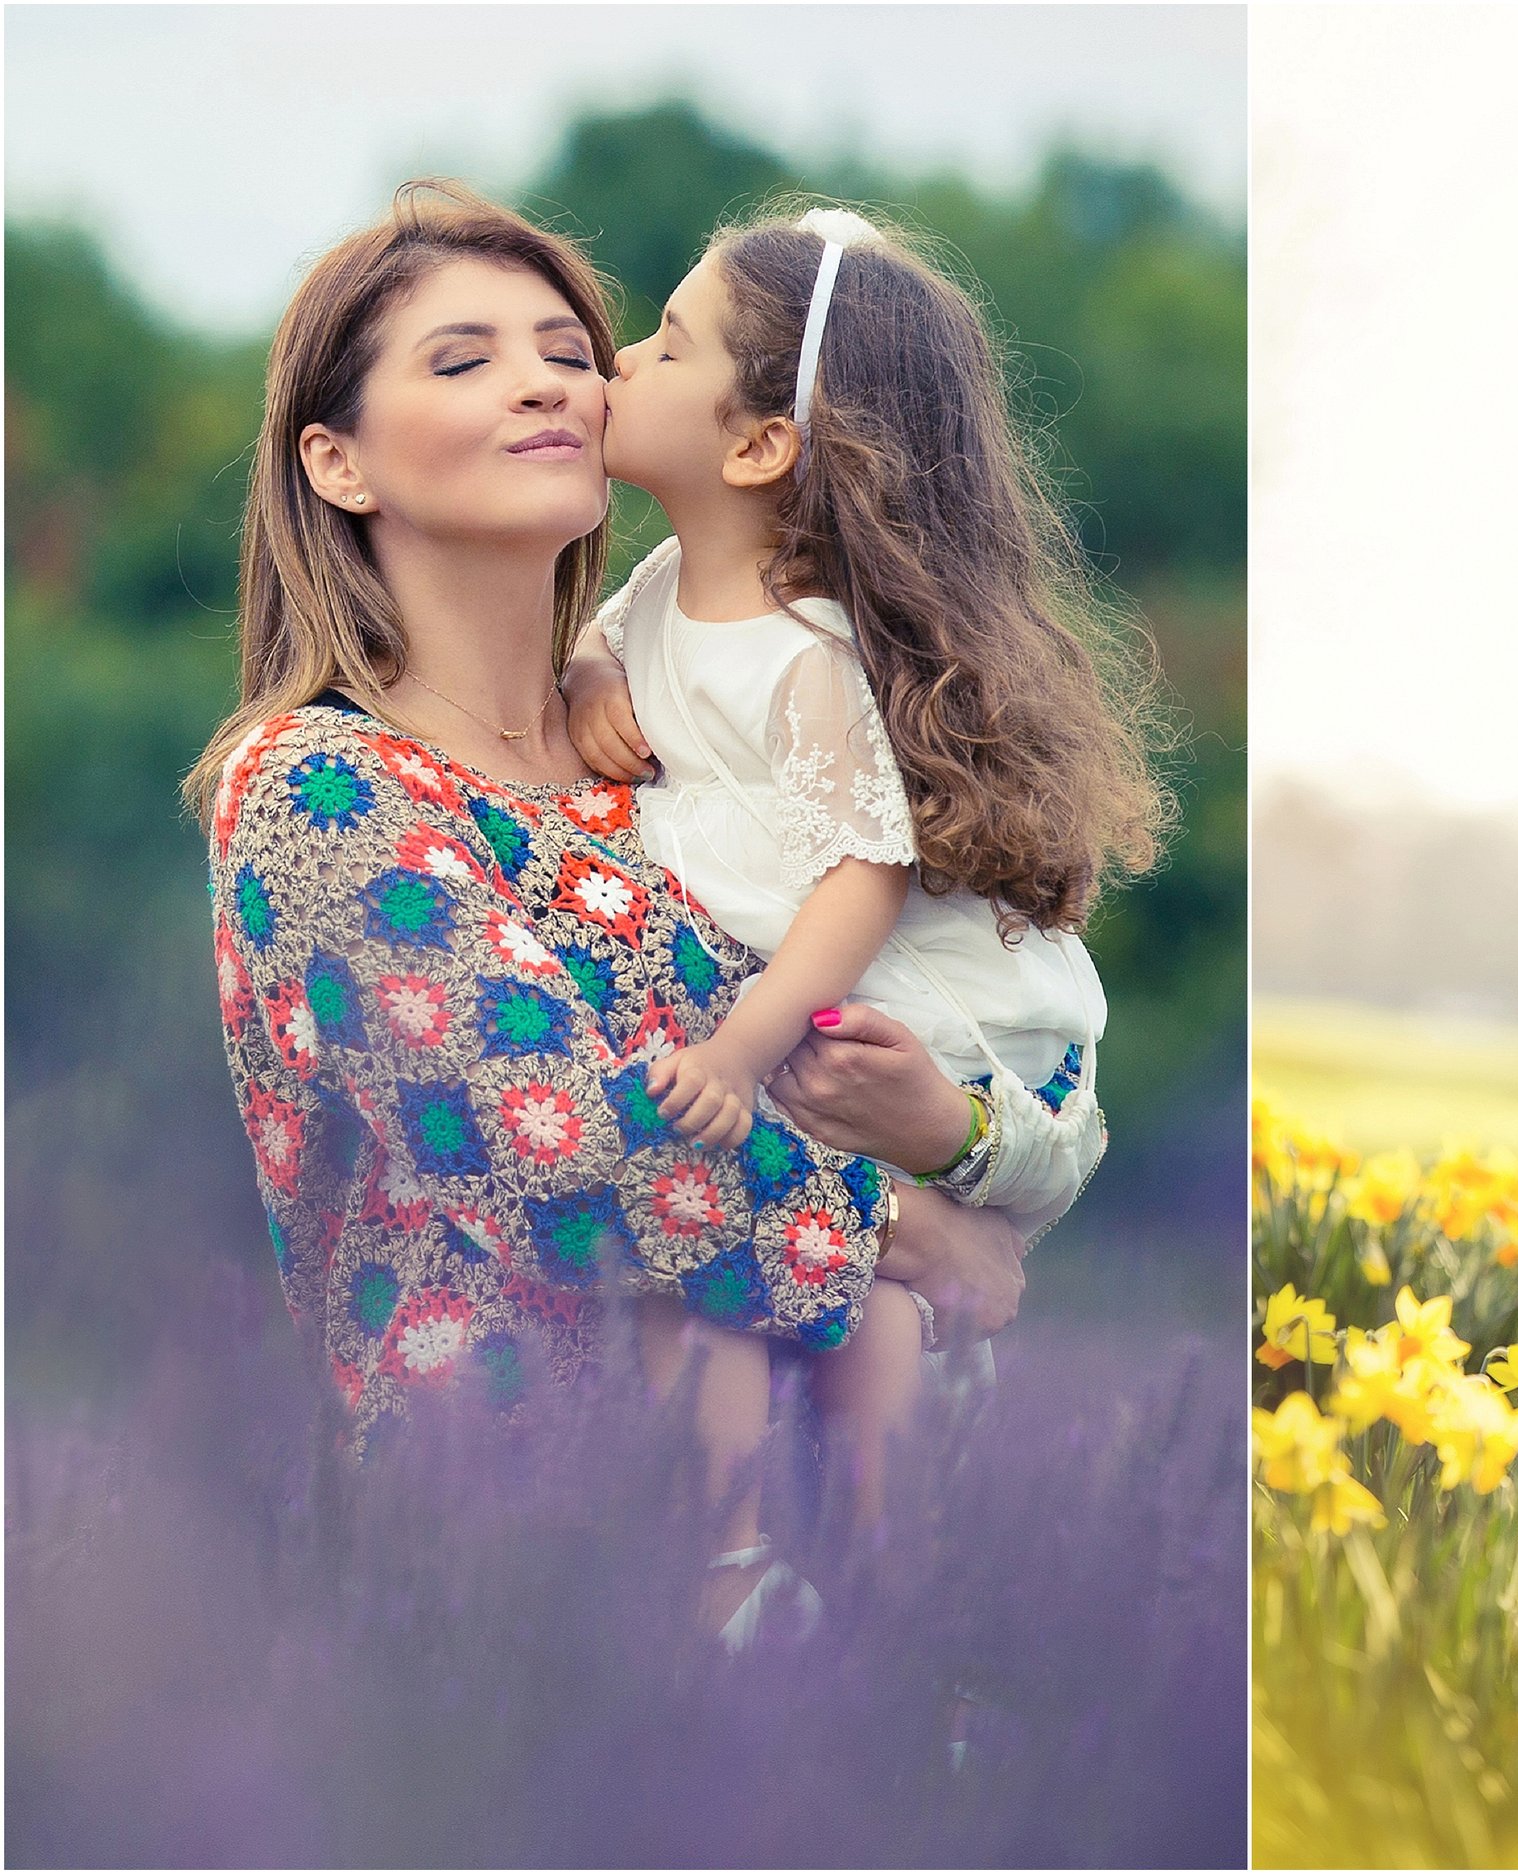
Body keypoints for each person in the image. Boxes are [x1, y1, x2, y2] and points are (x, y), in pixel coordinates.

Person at [186, 181, 1025, 1639]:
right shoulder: (322, 788)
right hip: (531, 1580)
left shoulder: (673, 764)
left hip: (833, 1576)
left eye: (572, 349)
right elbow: (558, 1160)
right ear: (337, 462)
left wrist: (983, 1144)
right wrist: (919, 1232)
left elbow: (925, 1004)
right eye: (462, 361)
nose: (545, 380)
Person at [560, 203, 1169, 1527]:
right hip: (790, 1004)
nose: (615, 361)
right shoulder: (666, 580)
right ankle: (739, 1564)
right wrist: (589, 668)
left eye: (665, 346)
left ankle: (896, 1582)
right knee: (724, 1296)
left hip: (873, 1001)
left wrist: (735, 1052)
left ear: (762, 440)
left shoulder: (809, 652)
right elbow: (609, 642)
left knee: (876, 1316)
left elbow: (861, 876)